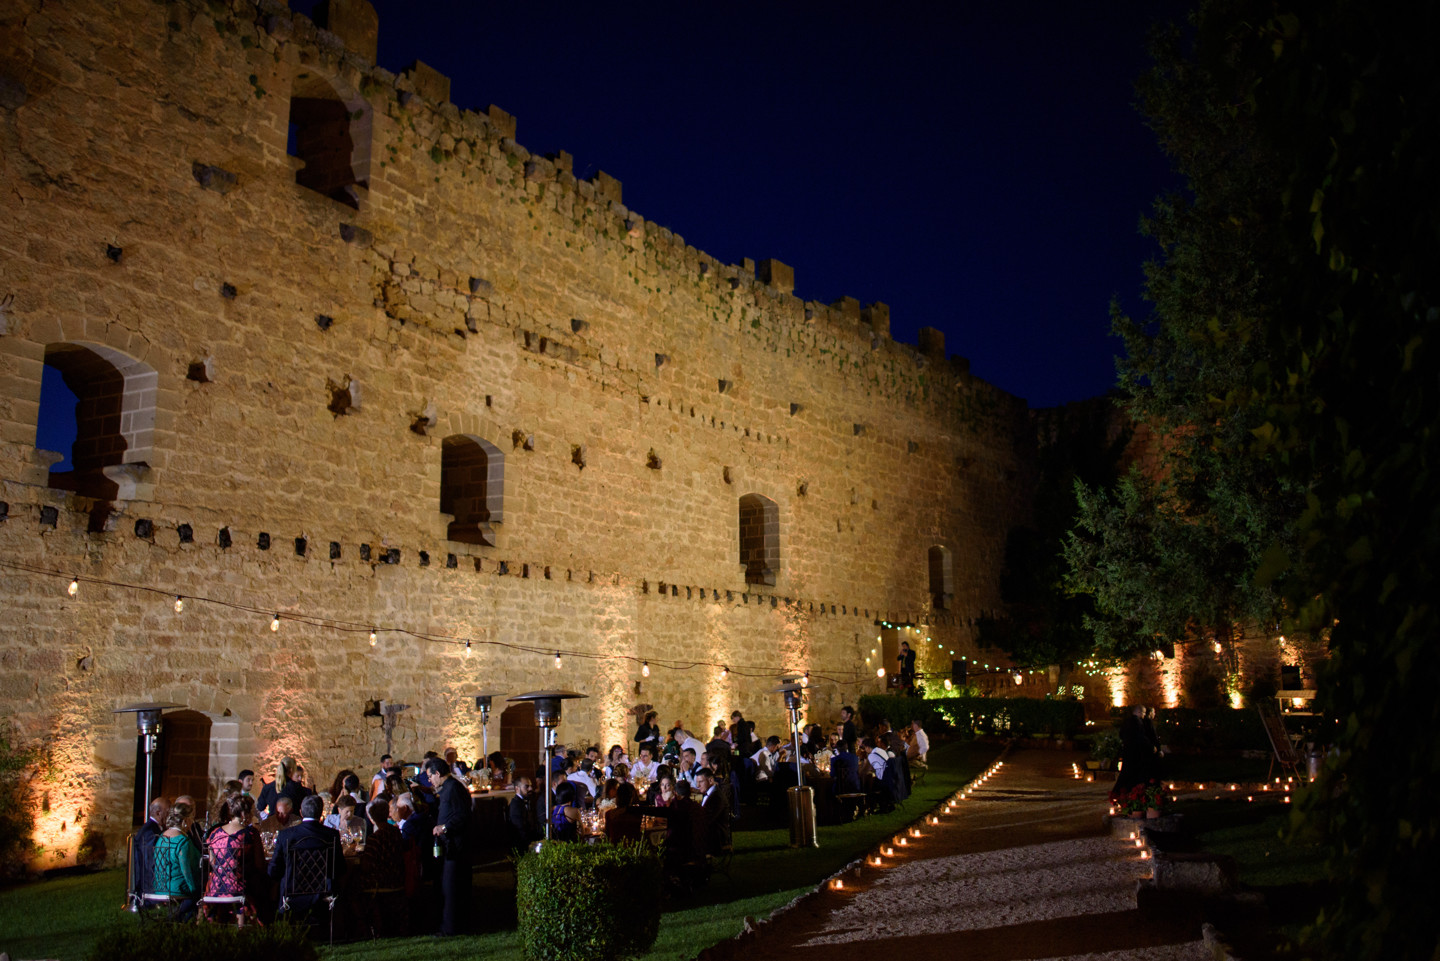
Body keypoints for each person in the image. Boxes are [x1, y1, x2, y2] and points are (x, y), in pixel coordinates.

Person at [268, 794, 345, 923]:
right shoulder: (331, 835)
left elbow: (273, 870)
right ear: (321, 813)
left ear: (301, 812)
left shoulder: (285, 835)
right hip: (323, 896)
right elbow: (340, 868)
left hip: (291, 896)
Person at [427, 756, 472, 937]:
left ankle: (451, 927)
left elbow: (462, 815)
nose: (429, 780)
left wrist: (444, 827)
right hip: (449, 845)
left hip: (456, 845)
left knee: (451, 886)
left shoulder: (453, 788)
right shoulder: (448, 788)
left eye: (430, 776)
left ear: (438, 773)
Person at [204, 794, 265, 924]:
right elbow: (260, 864)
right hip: (238, 887)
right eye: (251, 812)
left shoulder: (214, 833)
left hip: (215, 888)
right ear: (244, 814)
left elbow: (212, 862)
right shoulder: (250, 834)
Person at [152, 800, 201, 920]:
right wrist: (195, 890)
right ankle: (178, 919)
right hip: (177, 889)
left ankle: (174, 918)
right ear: (185, 821)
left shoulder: (162, 837)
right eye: (191, 820)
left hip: (160, 886)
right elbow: (187, 871)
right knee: (201, 892)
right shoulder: (183, 841)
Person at [130, 797, 169, 905]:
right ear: (158, 813)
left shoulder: (153, 828)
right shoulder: (150, 832)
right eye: (167, 812)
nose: (170, 816)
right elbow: (149, 862)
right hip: (147, 886)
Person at [693, 767, 731, 856]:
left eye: (700, 782)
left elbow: (707, 819)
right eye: (697, 782)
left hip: (715, 838)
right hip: (709, 834)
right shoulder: (711, 794)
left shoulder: (717, 797)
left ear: (710, 780)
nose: (698, 785)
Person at [507, 775, 541, 849]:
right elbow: (519, 829)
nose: (530, 788)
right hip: (522, 844)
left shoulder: (529, 800)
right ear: (517, 788)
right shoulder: (515, 805)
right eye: (526, 786)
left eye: (531, 786)